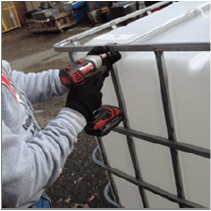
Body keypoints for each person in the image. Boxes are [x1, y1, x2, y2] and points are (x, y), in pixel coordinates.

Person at [2, 50, 104, 208]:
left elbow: (10, 82)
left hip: (35, 192)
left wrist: (65, 78)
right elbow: (21, 182)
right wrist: (77, 111)